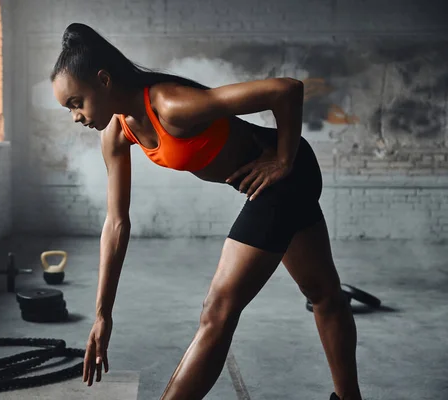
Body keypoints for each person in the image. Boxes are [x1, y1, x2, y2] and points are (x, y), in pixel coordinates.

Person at [50, 22, 363, 400]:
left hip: (285, 180)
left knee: (217, 310)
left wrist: (283, 160)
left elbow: (286, 90)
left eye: (76, 103)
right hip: (275, 188)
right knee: (324, 293)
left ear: (103, 81)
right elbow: (116, 223)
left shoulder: (172, 106)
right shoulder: (116, 133)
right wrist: (103, 314)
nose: (75, 116)